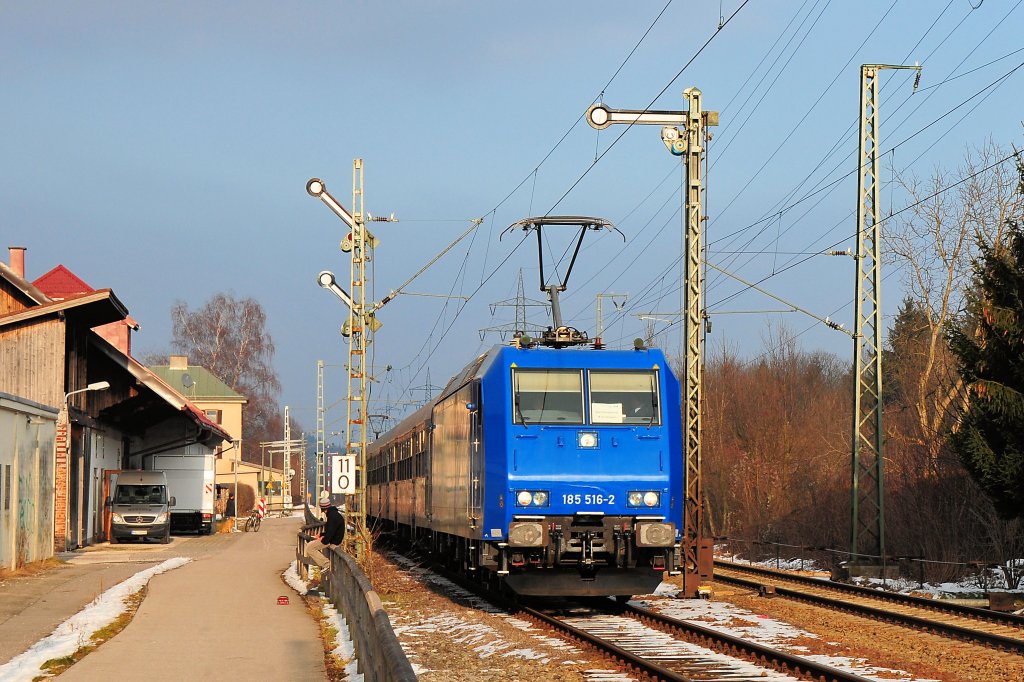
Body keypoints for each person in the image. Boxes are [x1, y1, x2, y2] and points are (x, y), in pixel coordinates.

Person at [304, 495, 345, 570]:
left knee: (310, 548)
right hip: (335, 538)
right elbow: (331, 530)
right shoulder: (334, 514)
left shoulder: (332, 516)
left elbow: (330, 533)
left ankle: (326, 564)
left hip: (333, 541)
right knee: (310, 545)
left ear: (324, 509)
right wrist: (321, 535)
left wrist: (323, 540)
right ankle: (325, 564)